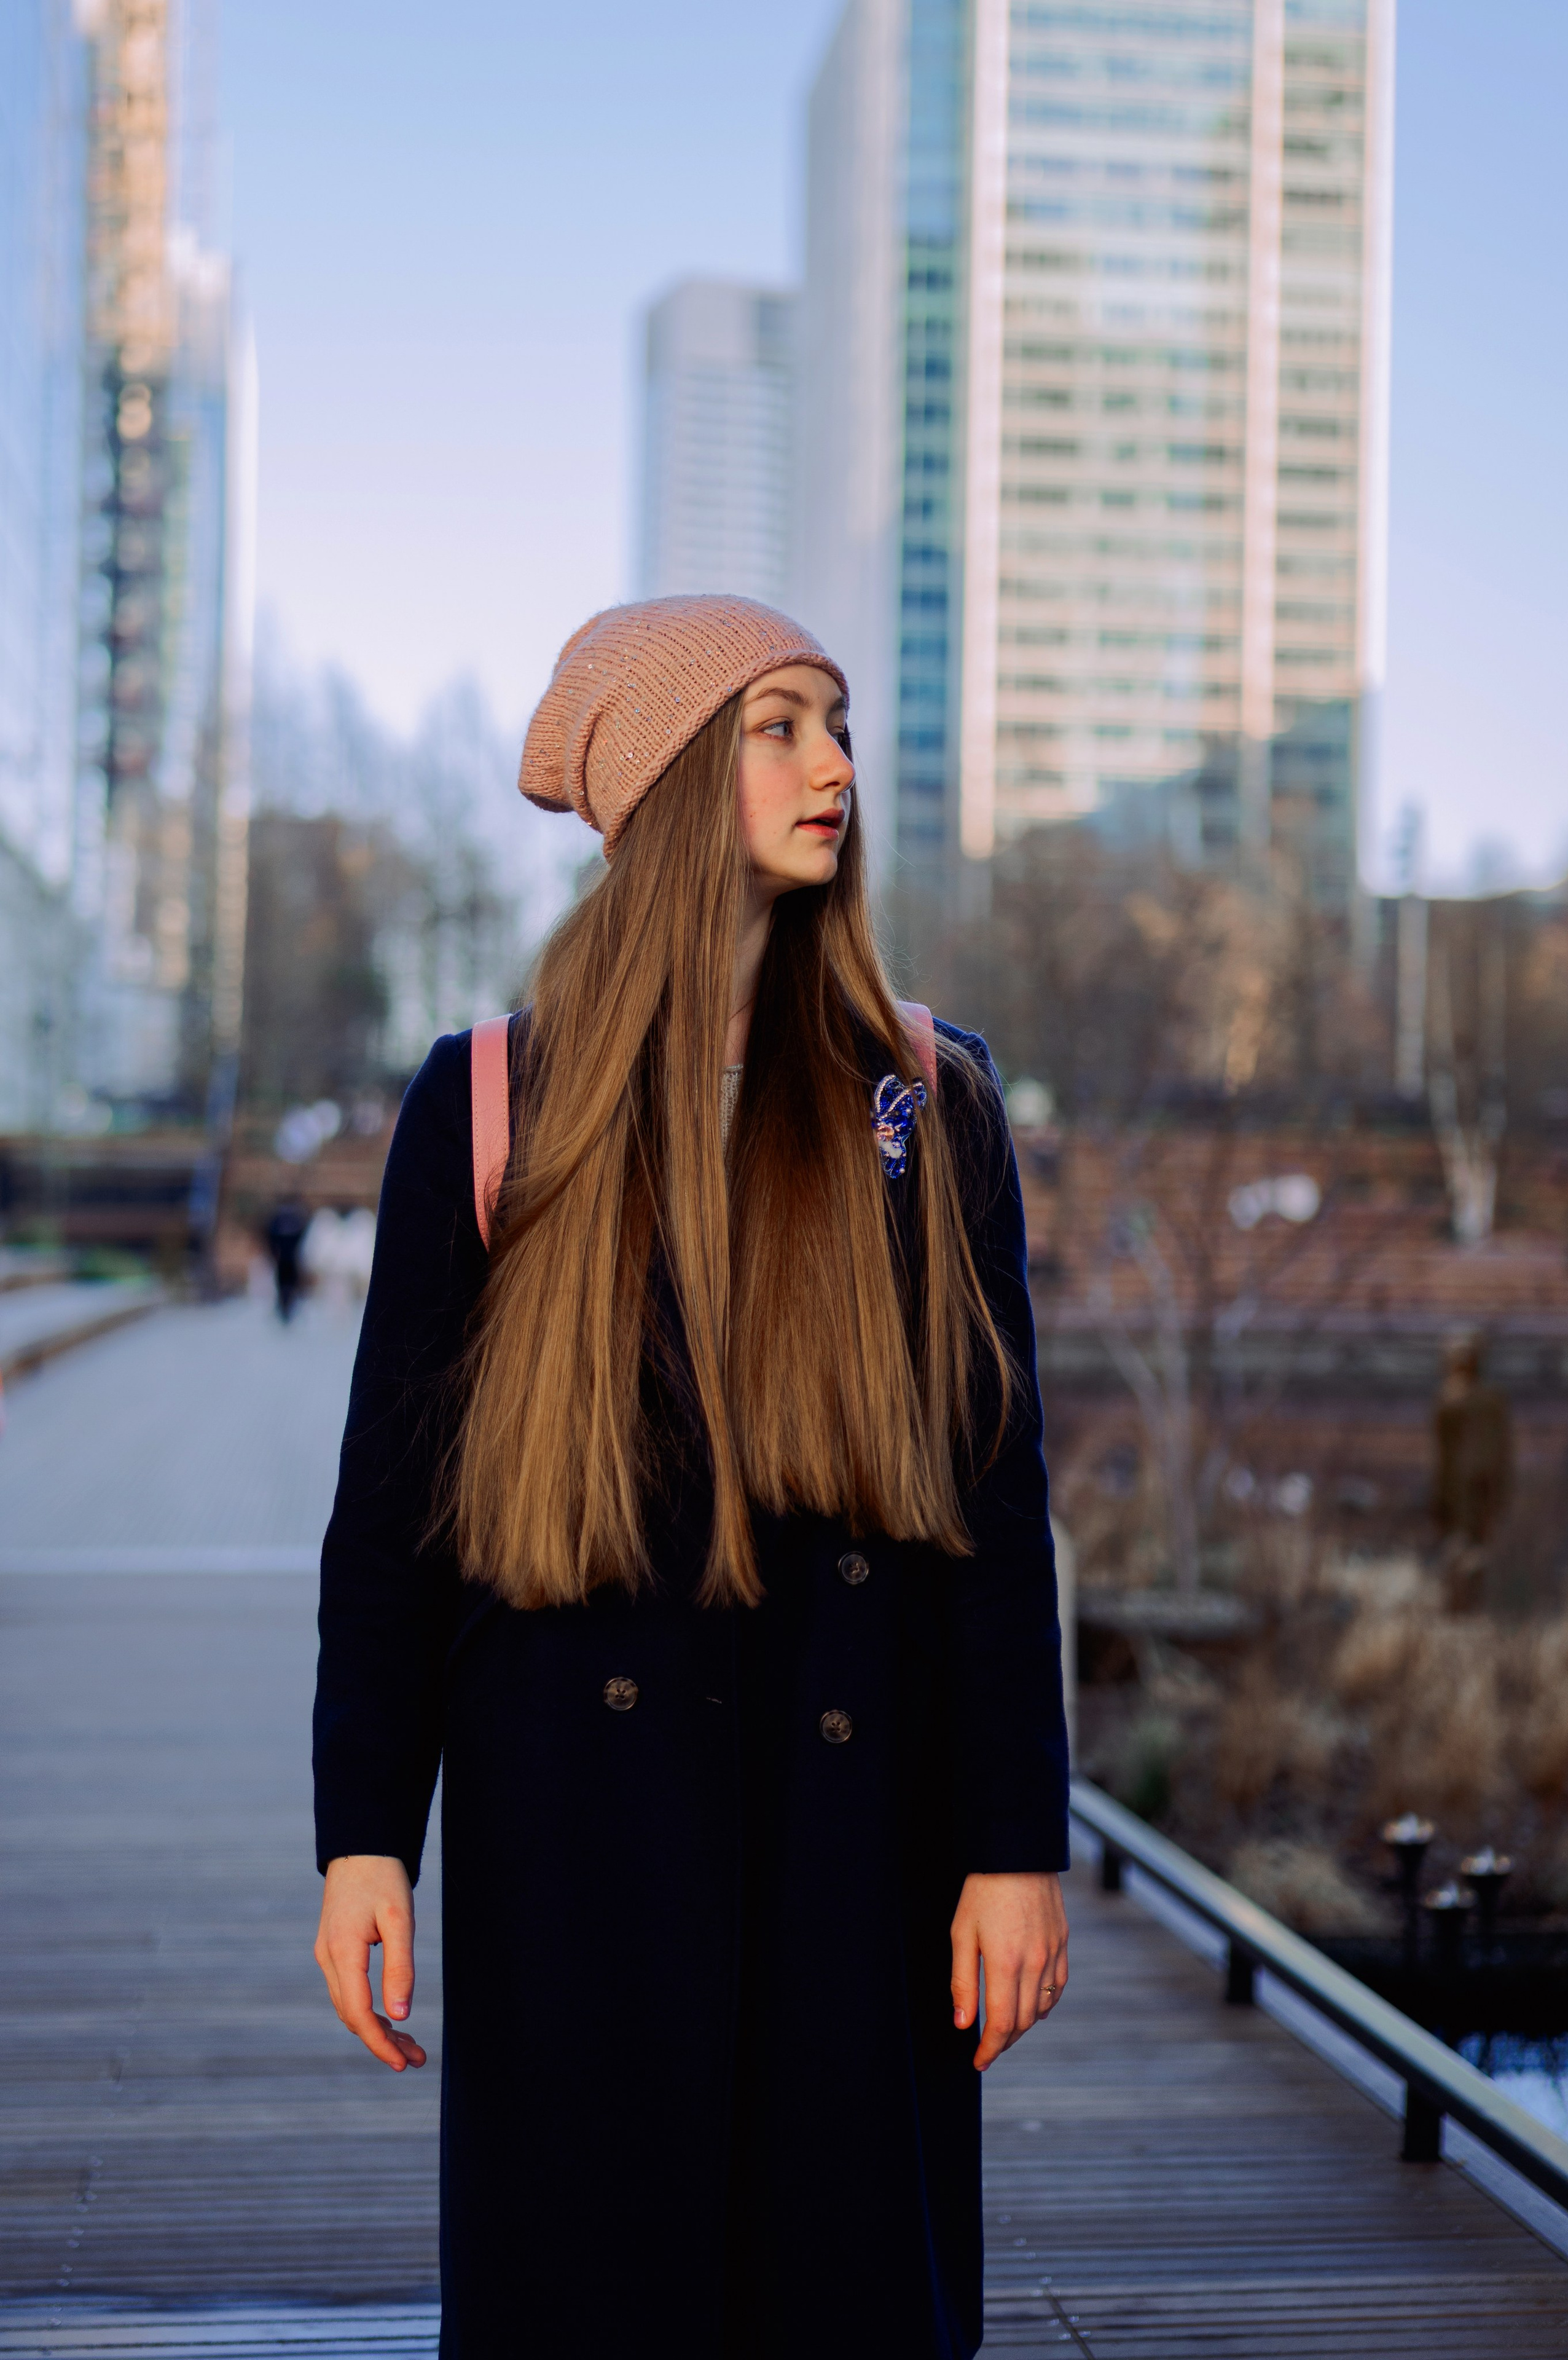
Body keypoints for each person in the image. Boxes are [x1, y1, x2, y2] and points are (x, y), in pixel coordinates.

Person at [312, 596, 1070, 2359]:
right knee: (588, 2298)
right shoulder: (493, 1103)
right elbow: (394, 1519)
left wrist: (1014, 1845)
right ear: (663, 783)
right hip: (573, 1823)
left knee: (851, 2296)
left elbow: (993, 1500)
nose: (835, 766)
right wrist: (366, 1840)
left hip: (849, 1820)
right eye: (778, 726)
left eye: (838, 722)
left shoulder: (920, 1101)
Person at [1433, 1330, 1512, 1613]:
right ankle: (1462, 1605)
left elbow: (1502, 1448)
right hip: (1468, 1484)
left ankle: (1465, 1606)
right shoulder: (1467, 1399)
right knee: (1467, 1546)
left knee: (1468, 1545)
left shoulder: (1458, 1398)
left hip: (1469, 1484)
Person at [264, 1197, 308, 1323]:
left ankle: (288, 1307)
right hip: (284, 1258)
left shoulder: (290, 1218)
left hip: (288, 1258)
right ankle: (285, 1307)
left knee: (288, 1284)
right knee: (284, 1284)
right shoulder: (288, 1218)